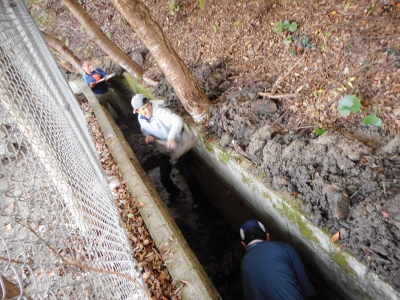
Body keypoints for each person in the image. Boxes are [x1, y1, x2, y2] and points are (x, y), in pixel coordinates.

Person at [131, 94, 203, 208]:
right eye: (143, 109)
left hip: (179, 148)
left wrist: (171, 137)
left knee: (189, 176)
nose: (147, 110)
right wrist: (149, 136)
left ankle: (198, 200)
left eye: (148, 105)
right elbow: (145, 130)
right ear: (137, 111)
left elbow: (178, 121)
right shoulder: (141, 119)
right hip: (165, 150)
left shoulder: (160, 112)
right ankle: (175, 193)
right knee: (164, 178)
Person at [240, 220, 318, 300]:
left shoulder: (244, 265)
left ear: (244, 245)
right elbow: (309, 292)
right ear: (268, 236)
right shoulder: (285, 248)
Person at [81, 59, 127, 123]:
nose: (90, 66)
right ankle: (114, 124)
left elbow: (105, 75)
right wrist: (91, 87)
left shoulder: (97, 70)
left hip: (108, 91)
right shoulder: (84, 79)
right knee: (106, 112)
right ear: (83, 67)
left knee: (118, 108)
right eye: (88, 66)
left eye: (90, 64)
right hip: (99, 96)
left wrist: (106, 78)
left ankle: (125, 122)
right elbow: (87, 91)